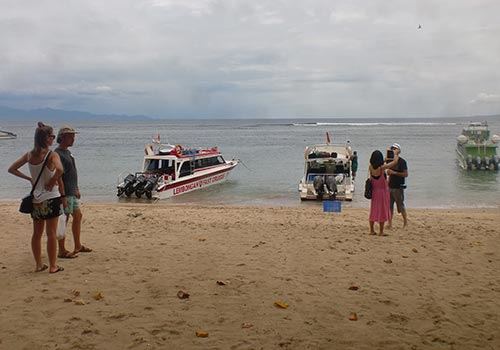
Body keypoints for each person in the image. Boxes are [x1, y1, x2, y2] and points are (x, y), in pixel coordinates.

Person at [8, 122, 66, 273]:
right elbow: (60, 169)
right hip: (51, 197)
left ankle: (39, 264)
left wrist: (29, 178)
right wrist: (53, 180)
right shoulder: (51, 155)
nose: (53, 139)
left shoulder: (30, 155)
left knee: (37, 233)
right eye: (52, 136)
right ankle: (53, 266)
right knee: (51, 233)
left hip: (36, 199)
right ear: (46, 138)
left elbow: (12, 169)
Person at [55, 125, 92, 258]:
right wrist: (63, 194)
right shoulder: (58, 154)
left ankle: (77, 245)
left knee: (78, 216)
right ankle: (62, 249)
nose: (73, 139)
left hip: (71, 191)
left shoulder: (67, 153)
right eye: (71, 136)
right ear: (63, 138)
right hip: (65, 193)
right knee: (64, 219)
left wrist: (76, 188)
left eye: (73, 136)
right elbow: (58, 176)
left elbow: (72, 172)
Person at [368, 150, 398, 236]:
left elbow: (378, 164)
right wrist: (396, 154)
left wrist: (385, 159)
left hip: (374, 191)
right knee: (382, 211)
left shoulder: (370, 167)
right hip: (382, 192)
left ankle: (371, 230)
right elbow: (394, 162)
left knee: (373, 210)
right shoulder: (382, 168)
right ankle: (381, 231)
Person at [387, 143, 408, 228]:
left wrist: (394, 173)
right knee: (389, 207)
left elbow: (405, 174)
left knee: (401, 206)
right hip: (390, 186)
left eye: (394, 149)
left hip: (398, 187)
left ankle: (405, 222)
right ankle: (389, 223)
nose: (393, 150)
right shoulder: (390, 161)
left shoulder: (402, 162)